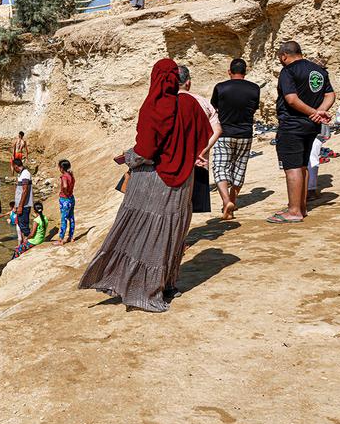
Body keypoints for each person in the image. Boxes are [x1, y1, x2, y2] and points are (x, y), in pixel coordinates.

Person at [79, 59, 212, 312]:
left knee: (143, 234)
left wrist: (127, 156)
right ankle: (166, 285)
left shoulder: (155, 105)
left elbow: (147, 150)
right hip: (184, 180)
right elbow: (202, 137)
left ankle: (143, 290)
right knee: (171, 233)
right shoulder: (191, 104)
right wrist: (183, 152)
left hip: (154, 181)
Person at [269, 41, 335, 223]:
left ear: (284, 56)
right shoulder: (319, 70)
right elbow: (330, 95)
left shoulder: (288, 71)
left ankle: (294, 211)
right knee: (303, 165)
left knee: (292, 168)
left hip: (292, 125)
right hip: (311, 126)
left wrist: (314, 112)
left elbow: (291, 99)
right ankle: (302, 207)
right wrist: (319, 111)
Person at [210, 58, 260, 220]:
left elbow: (214, 108)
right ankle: (232, 200)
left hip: (224, 133)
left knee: (220, 167)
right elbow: (253, 108)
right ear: (245, 72)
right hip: (245, 133)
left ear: (229, 72)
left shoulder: (221, 87)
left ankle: (226, 202)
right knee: (239, 168)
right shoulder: (254, 88)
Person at [178, 66, 221, 214]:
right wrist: (203, 151)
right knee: (191, 203)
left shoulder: (166, 102)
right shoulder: (202, 101)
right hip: (199, 161)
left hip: (175, 161)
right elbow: (218, 130)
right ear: (188, 83)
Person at [56, 160, 76, 245]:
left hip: (65, 199)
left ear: (61, 168)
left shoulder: (64, 176)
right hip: (71, 198)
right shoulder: (71, 175)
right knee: (71, 218)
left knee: (63, 219)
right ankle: (70, 237)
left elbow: (64, 186)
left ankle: (61, 239)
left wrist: (65, 192)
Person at [12, 158, 33, 238]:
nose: (14, 170)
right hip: (21, 204)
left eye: (14, 168)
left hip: (24, 205)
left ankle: (28, 242)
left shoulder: (25, 174)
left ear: (16, 166)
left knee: (24, 225)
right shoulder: (21, 174)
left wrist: (20, 206)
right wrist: (16, 205)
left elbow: (25, 191)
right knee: (21, 224)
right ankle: (25, 243)